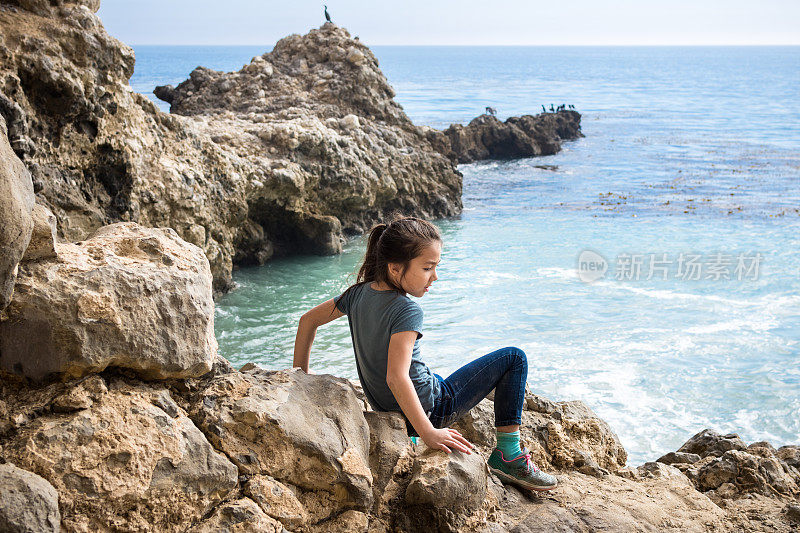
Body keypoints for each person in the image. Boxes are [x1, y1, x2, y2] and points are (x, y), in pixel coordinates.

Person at [292, 215, 558, 491]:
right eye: (428, 268)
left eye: (436, 267)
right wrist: (427, 431)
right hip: (432, 410)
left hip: (387, 409)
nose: (435, 276)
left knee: (437, 374)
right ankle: (508, 455)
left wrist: (301, 378)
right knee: (514, 358)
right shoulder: (407, 310)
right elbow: (397, 377)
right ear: (395, 268)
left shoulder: (357, 294)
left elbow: (307, 321)